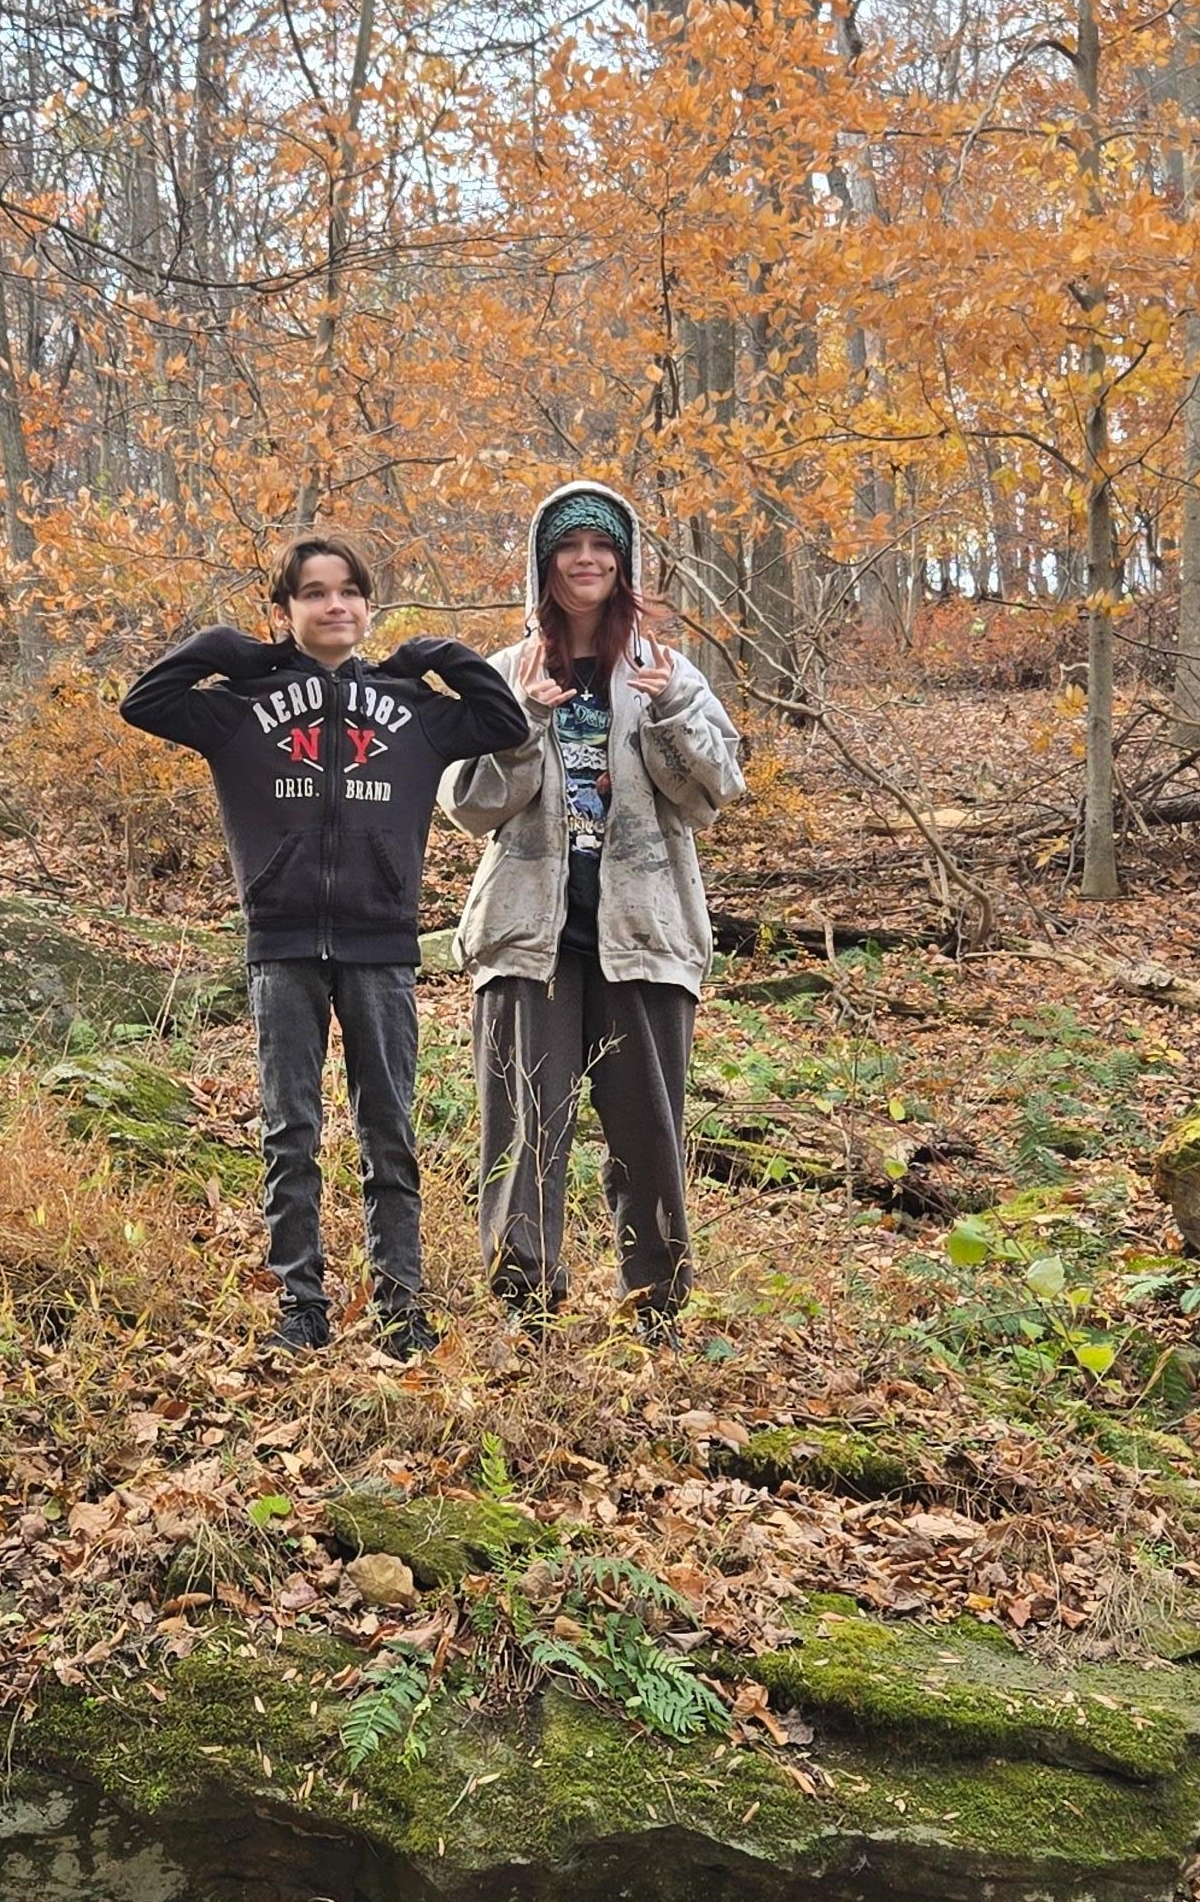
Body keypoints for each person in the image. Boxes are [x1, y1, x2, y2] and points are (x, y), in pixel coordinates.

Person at [122, 538, 531, 1355]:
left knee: (389, 1127)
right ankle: (300, 1303)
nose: (333, 605)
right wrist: (234, 648)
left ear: (368, 606)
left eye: (349, 591)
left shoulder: (409, 704)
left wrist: (437, 653)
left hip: (381, 943)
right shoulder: (242, 705)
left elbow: (503, 719)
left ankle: (400, 1303)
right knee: (291, 1129)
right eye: (312, 594)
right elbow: (146, 701)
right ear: (287, 611)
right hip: (282, 945)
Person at [442, 480, 745, 1334]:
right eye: (570, 546)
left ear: (624, 560)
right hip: (527, 935)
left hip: (645, 934)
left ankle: (657, 1304)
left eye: (601, 546)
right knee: (523, 1129)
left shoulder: (663, 668)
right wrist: (518, 728)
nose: (587, 560)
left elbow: (716, 791)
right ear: (545, 562)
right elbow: (467, 804)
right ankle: (523, 1306)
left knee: (648, 1132)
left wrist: (672, 709)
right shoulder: (508, 671)